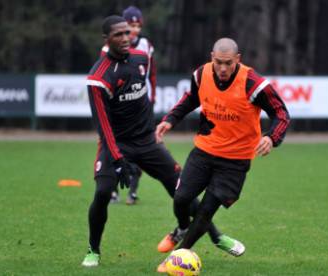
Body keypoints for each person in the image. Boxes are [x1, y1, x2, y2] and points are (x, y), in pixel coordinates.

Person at [81, 16, 243, 267]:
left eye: (127, 33)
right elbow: (103, 125)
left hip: (148, 142)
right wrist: (117, 158)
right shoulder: (98, 77)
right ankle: (93, 250)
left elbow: (151, 82)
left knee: (182, 191)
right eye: (119, 35)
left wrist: (160, 120)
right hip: (117, 143)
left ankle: (216, 236)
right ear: (106, 40)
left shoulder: (140, 57)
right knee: (103, 192)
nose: (126, 38)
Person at [155, 38, 290, 272]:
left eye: (228, 63)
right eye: (219, 62)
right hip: (204, 151)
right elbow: (191, 98)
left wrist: (271, 137)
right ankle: (182, 229)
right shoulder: (201, 74)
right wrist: (170, 119)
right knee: (181, 199)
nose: (223, 68)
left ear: (238, 59)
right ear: (212, 58)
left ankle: (177, 257)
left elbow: (281, 113)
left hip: (235, 161)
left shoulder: (253, 83)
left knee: (206, 210)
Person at [103, 6, 157, 205]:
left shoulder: (146, 45)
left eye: (137, 25)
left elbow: (151, 74)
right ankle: (113, 189)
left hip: (141, 103)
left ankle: (132, 191)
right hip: (119, 106)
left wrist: (152, 98)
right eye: (130, 25)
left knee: (141, 146)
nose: (134, 29)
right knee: (116, 146)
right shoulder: (110, 47)